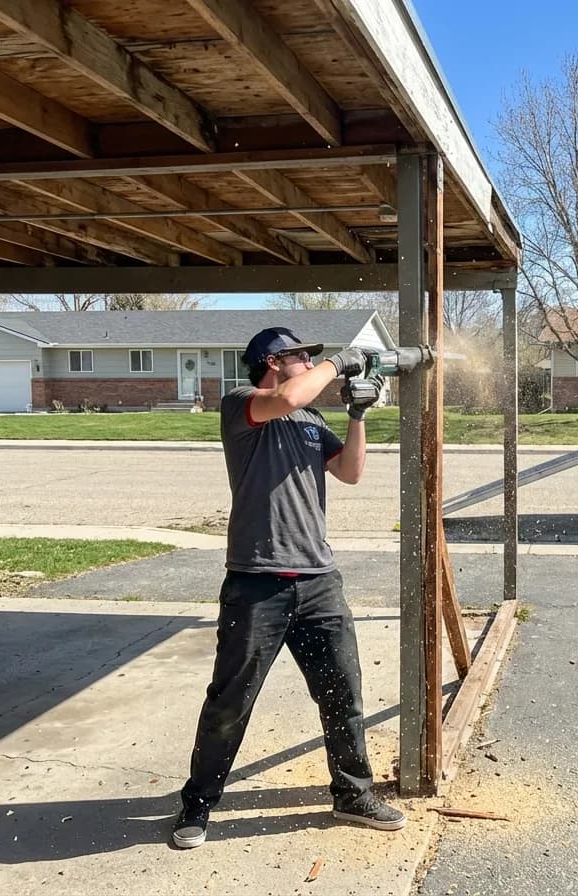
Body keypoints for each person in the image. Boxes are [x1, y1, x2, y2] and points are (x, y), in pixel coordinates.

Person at [173, 326, 405, 849]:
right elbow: (287, 395)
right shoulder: (243, 405)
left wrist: (358, 415)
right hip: (257, 583)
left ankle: (353, 794)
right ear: (275, 361)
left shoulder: (309, 418)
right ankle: (198, 804)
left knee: (341, 692)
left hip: (319, 580)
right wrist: (344, 362)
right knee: (230, 700)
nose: (312, 363)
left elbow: (349, 472)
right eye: (304, 356)